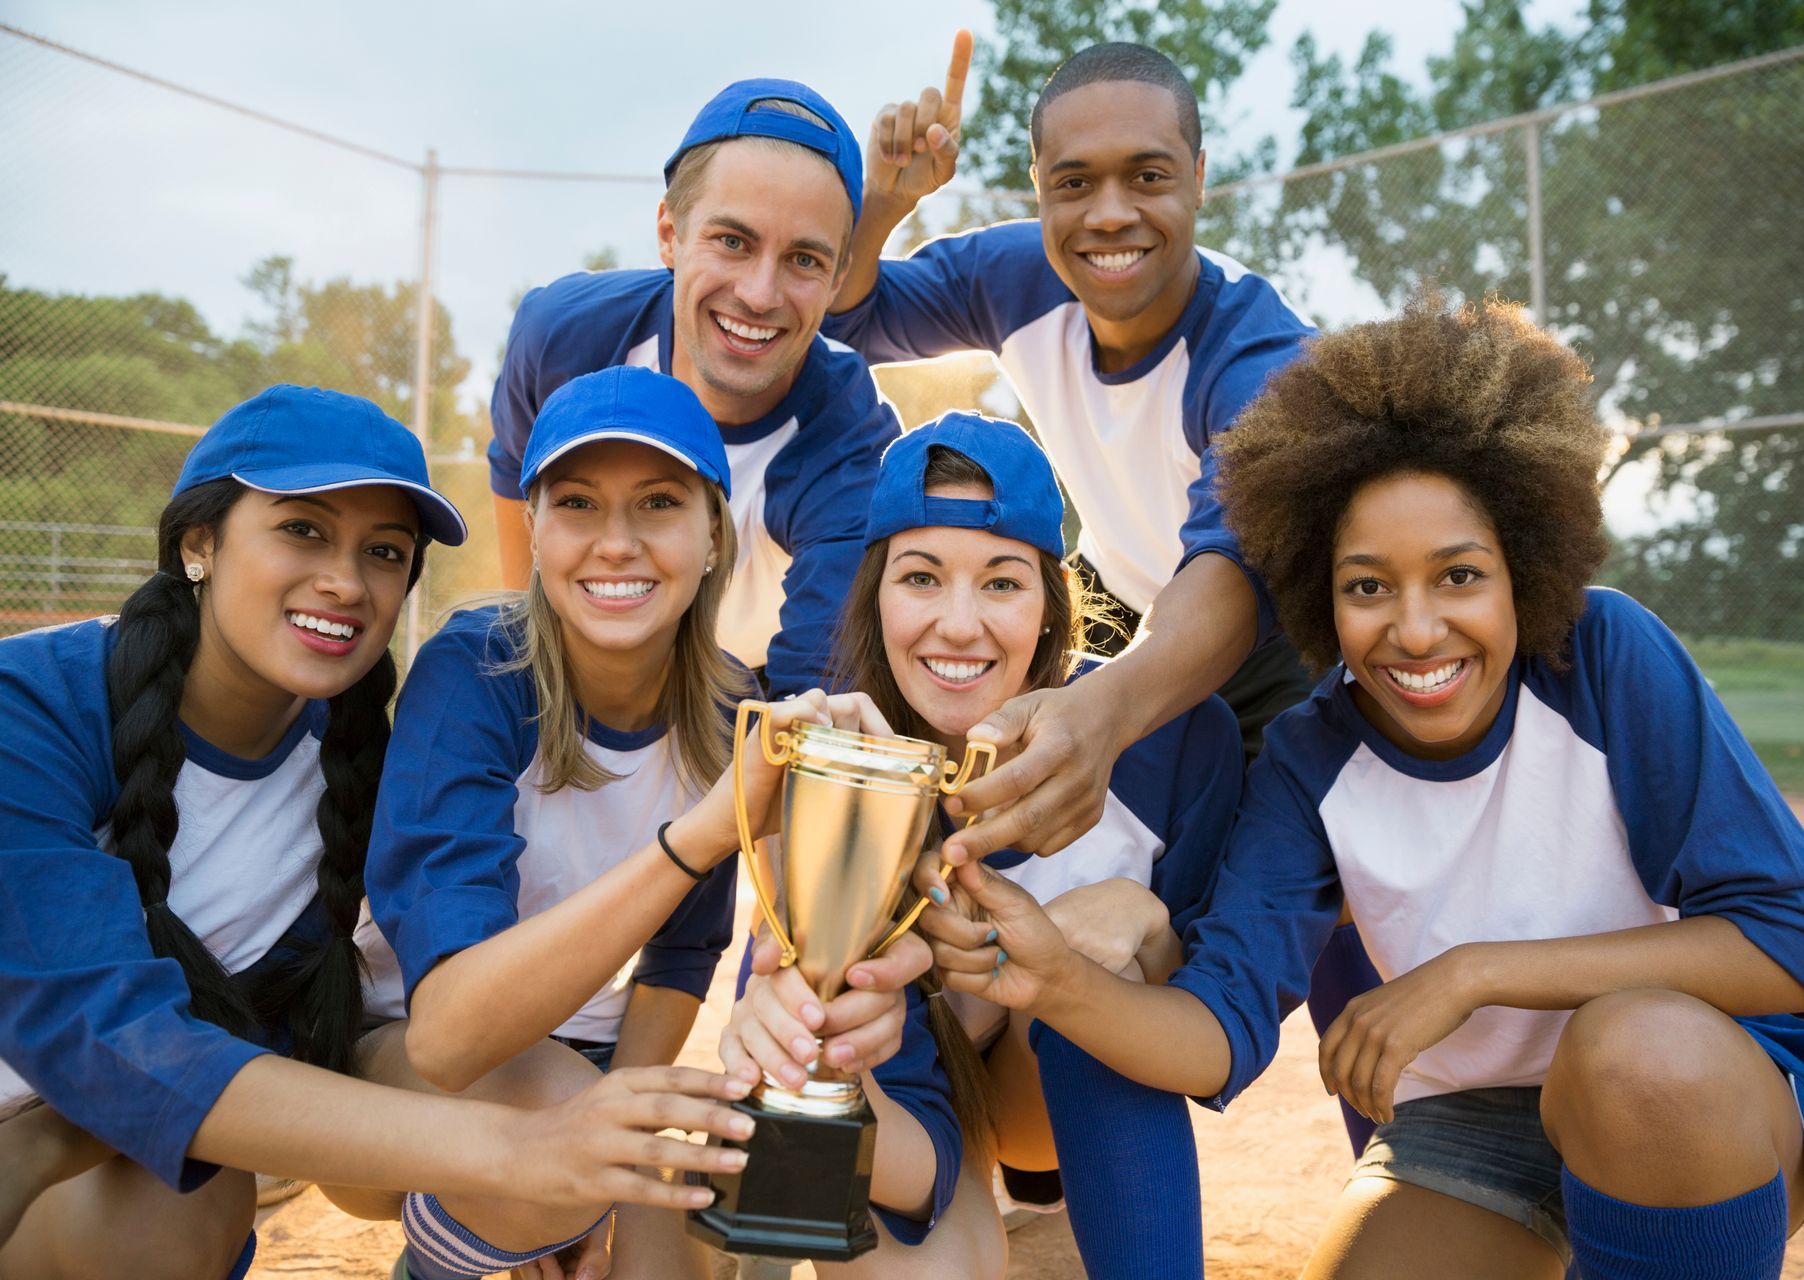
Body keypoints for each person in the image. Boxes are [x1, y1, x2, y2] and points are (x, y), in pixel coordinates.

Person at [919, 296, 1804, 1279]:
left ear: (1522, 568)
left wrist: (1473, 971)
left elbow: (1800, 945)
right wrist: (1053, 977)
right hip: (1470, 1126)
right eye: (1368, 585)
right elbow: (1217, 1034)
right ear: (1322, 594)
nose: (1417, 627)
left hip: (1696, 1092)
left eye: (1459, 575)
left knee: (1634, 1050)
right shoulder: (1313, 759)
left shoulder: (1606, 658)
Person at [0, 386, 752, 1278]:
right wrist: (529, 1155)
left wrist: (565, 1177)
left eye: (385, 552)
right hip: (55, 1137)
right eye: (303, 530)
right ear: (198, 541)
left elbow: (261, 1028)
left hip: (104, 1139)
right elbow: (107, 1037)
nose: (346, 583)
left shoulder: (349, 757)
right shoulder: (32, 705)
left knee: (183, 1198)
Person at [339, 366, 946, 1280]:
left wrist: (608, 1146)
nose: (615, 543)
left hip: (585, 1055)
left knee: (672, 1220)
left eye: (658, 503)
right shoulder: (476, 671)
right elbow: (450, 1036)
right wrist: (703, 830)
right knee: (552, 1118)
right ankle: (447, 1263)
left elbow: (679, 957)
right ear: (535, 532)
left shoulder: (731, 706)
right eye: (577, 503)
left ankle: (549, 1201)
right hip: (397, 1062)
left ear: (712, 538)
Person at [732, 413, 1243, 1279]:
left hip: (1053, 1093)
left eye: (1002, 583)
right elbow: (795, 1082)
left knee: (1103, 965)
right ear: (874, 595)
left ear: (1051, 602)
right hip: (913, 1108)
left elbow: (1203, 1012)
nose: (958, 625)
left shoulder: (1172, 740)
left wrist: (1143, 919)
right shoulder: (838, 759)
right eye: (921, 577)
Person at [826, 37, 1318, 875]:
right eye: (1076, 182)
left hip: (1259, 633)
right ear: (1041, 190)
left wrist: (1103, 712)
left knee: (1237, 888)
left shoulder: (1258, 361)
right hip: (1115, 596)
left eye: (1149, 175)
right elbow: (848, 315)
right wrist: (879, 205)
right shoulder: (1016, 276)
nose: (1110, 213)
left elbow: (1232, 569)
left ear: (1199, 177)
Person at [488, 77, 900, 698]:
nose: (760, 294)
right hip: (586, 655)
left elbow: (813, 696)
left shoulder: (850, 437)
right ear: (669, 234)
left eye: (804, 260)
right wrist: (537, 679)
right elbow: (517, 494)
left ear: (841, 274)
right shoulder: (566, 339)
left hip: (747, 686)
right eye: (732, 241)